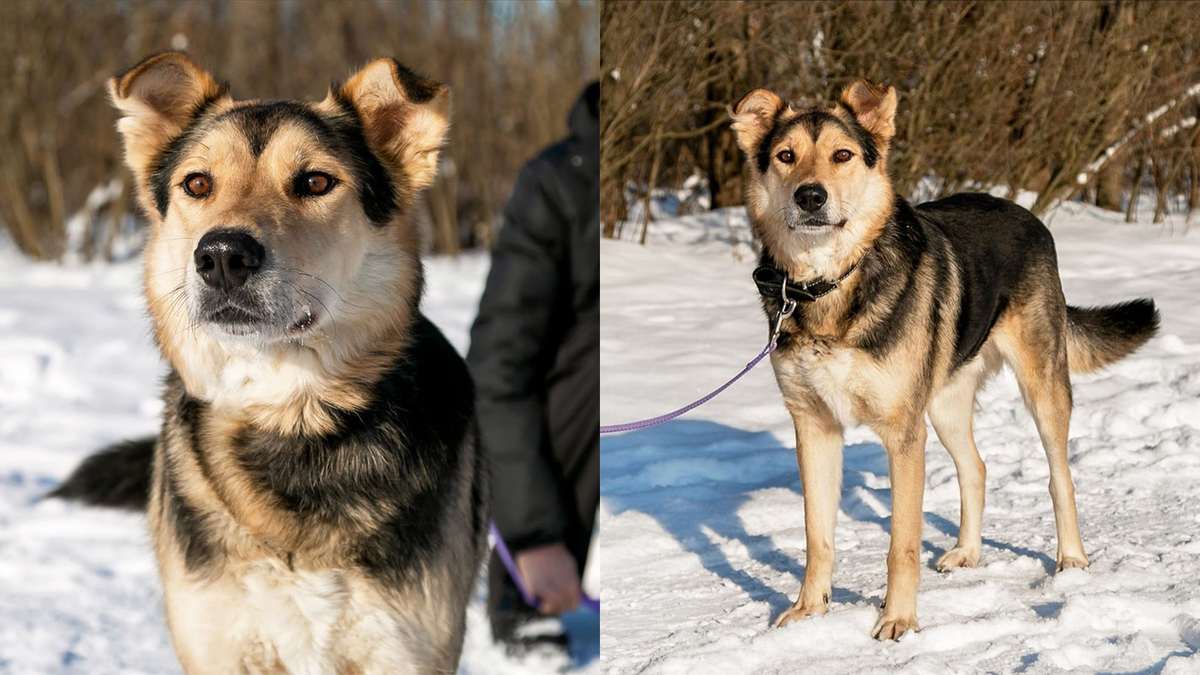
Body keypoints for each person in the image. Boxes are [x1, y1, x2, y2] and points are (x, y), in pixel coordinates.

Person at [467, 80, 599, 652]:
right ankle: (519, 595)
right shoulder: (555, 183)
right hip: (561, 424)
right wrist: (533, 537)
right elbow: (499, 369)